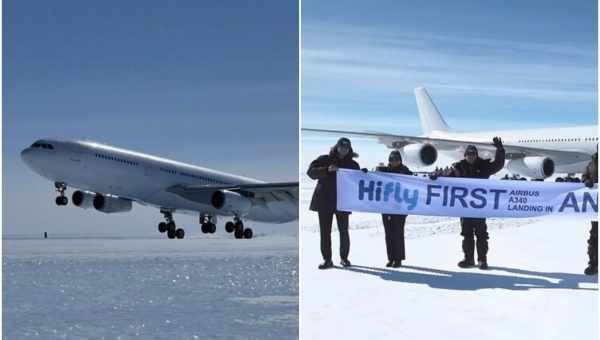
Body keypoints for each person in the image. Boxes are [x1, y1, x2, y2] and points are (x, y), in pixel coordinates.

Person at [430, 137, 505, 270]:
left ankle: (482, 260)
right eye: (469, 154)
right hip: (464, 208)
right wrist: (436, 176)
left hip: (479, 208)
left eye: (473, 154)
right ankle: (468, 259)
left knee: (481, 235)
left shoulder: (484, 166)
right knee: (467, 235)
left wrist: (500, 150)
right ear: (465, 155)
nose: (471, 156)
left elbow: (498, 165)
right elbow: (446, 178)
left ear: (476, 155)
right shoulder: (458, 168)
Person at [307, 137, 360, 269]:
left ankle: (344, 258)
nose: (344, 149)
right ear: (336, 147)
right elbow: (311, 173)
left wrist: (363, 173)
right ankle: (327, 260)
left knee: (344, 231)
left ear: (349, 149)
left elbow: (359, 181)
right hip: (324, 201)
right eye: (342, 147)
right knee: (325, 232)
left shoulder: (353, 165)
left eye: (346, 147)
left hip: (343, 202)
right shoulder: (324, 159)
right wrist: (326, 170)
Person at [376, 150, 413, 267]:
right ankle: (391, 257)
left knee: (398, 232)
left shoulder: (406, 172)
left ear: (400, 160)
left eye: (396, 159)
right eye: (392, 160)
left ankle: (398, 258)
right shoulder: (384, 171)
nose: (394, 162)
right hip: (386, 206)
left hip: (400, 207)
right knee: (388, 233)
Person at [582, 150, 597, 275]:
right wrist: (586, 181)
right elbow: (584, 176)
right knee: (595, 237)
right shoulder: (592, 164)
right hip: (596, 208)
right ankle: (593, 263)